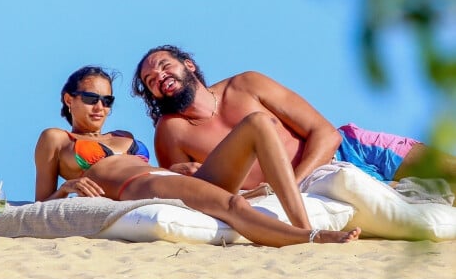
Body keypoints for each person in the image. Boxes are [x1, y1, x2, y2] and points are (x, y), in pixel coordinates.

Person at [34, 66, 361, 247]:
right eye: (91, 98)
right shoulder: (57, 138)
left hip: (169, 180)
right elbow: (40, 204)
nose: (100, 107)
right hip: (136, 187)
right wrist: (66, 190)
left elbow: (164, 172)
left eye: (107, 100)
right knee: (233, 205)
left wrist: (183, 168)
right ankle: (310, 237)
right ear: (69, 99)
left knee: (258, 123)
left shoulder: (124, 138)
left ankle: (301, 221)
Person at [132, 45, 456, 202]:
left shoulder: (246, 85)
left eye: (164, 66)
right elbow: (190, 190)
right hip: (308, 189)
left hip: (350, 152)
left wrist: (294, 185)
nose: (159, 77)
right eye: (151, 80)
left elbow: (325, 133)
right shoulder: (171, 132)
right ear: (154, 95)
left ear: (188, 65)